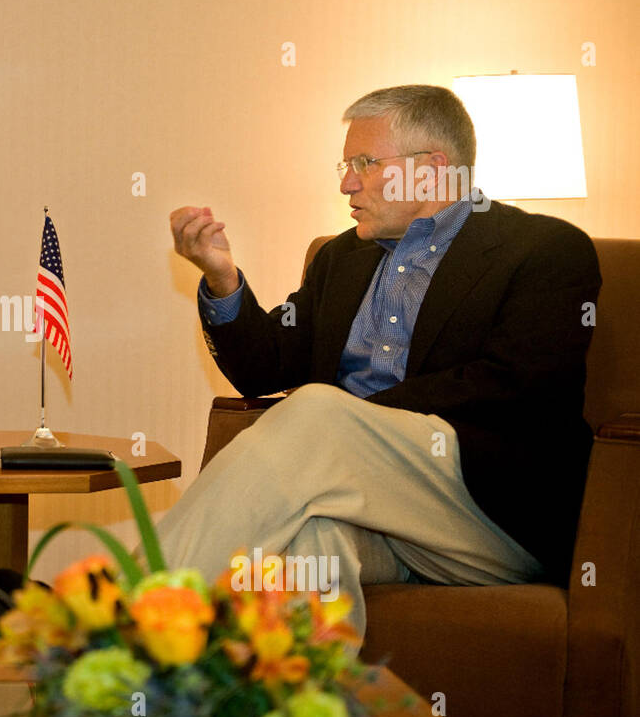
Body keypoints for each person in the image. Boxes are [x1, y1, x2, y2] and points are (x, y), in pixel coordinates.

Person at [159, 84, 601, 642]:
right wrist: (222, 277)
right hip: (371, 518)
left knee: (318, 413)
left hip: (488, 517)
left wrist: (352, 417)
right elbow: (263, 367)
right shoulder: (342, 257)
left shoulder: (544, 250)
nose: (346, 182)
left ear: (432, 169)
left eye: (364, 163)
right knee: (307, 540)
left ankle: (118, 623)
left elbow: (519, 383)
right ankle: (304, 705)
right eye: (346, 165)